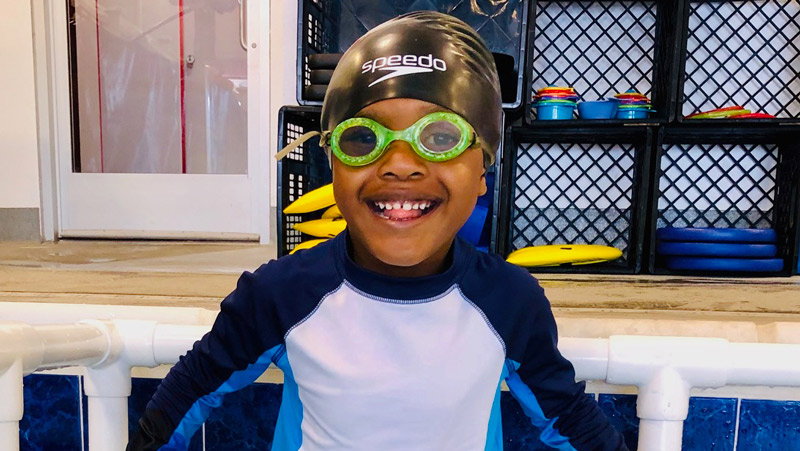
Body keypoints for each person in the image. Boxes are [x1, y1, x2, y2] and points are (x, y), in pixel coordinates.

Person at [128, 11, 628, 451]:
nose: (401, 165)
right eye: (363, 138)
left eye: (440, 137)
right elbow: (190, 389)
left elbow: (567, 415)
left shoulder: (509, 301)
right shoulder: (282, 293)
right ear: (333, 166)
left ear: (482, 172)